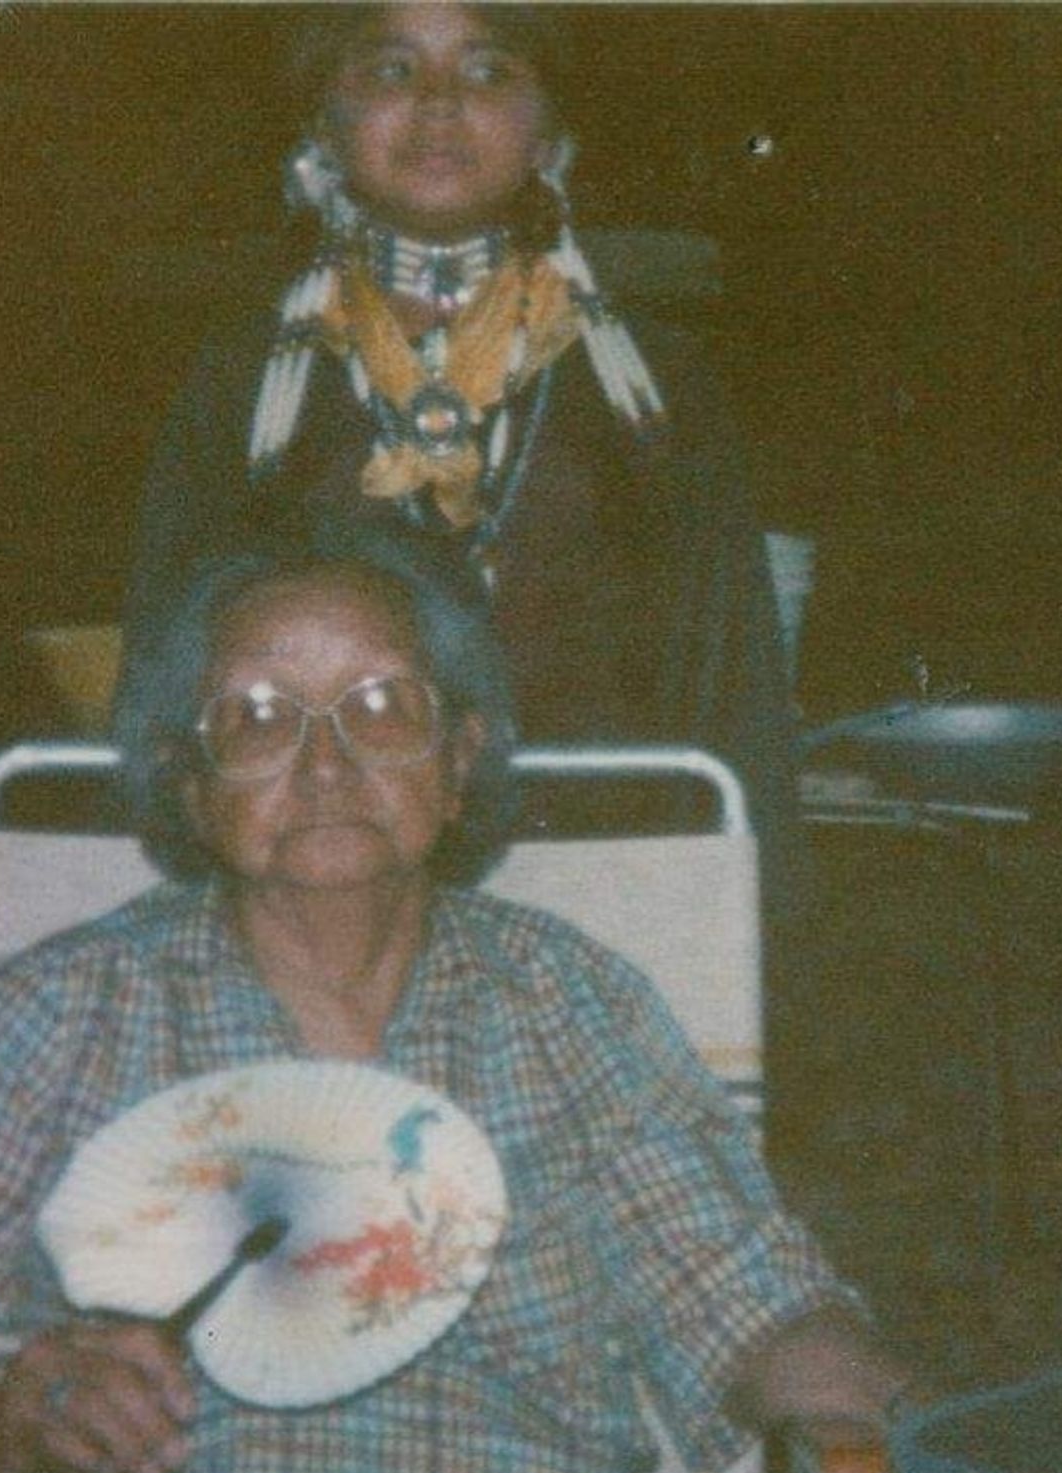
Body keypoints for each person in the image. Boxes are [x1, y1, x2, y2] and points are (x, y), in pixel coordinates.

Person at [0, 535, 944, 1473]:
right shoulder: (63, 1014)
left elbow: (748, 1293)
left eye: (379, 704)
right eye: (255, 715)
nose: (321, 760)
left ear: (461, 757)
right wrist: (20, 1409)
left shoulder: (561, 998)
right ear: (188, 783)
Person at [121, 2, 796, 872]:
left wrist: (739, 928)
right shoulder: (244, 383)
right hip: (316, 882)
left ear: (551, 131)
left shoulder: (653, 388)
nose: (439, 104)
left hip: (611, 871)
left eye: (488, 71)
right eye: (392, 70)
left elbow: (732, 687)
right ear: (321, 124)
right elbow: (167, 688)